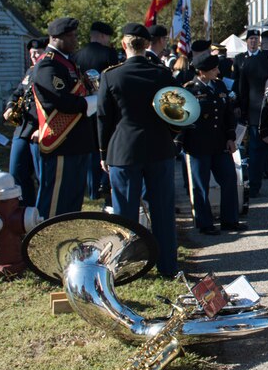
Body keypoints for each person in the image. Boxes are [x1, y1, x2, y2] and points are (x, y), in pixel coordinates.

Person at [97, 22, 179, 277]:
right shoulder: (162, 74)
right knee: (163, 212)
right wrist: (170, 136)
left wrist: (103, 152)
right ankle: (168, 267)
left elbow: (103, 117)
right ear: (147, 45)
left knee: (125, 215)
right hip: (159, 149)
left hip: (124, 150)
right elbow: (176, 113)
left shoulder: (111, 75)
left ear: (124, 45)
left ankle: (123, 269)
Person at [32, 17, 97, 218]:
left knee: (72, 202)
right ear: (55, 38)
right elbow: (61, 101)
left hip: (77, 141)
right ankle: (46, 242)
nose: (75, 40)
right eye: (70, 36)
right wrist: (96, 100)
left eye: (75, 35)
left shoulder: (67, 63)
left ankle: (66, 240)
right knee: (54, 204)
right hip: (60, 141)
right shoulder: (48, 65)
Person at [182, 53, 243, 234]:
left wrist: (231, 137)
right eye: (214, 69)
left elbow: (227, 114)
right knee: (201, 185)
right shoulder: (190, 90)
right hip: (199, 145)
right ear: (202, 72)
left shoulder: (219, 85)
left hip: (220, 143)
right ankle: (205, 223)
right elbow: (184, 119)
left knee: (230, 179)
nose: (218, 71)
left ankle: (230, 220)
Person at [74, 21, 116, 201]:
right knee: (104, 142)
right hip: (103, 104)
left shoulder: (76, 55)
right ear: (102, 36)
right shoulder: (109, 53)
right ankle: (104, 183)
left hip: (84, 104)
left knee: (90, 145)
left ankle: (92, 189)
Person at [4, 38, 46, 204]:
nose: (34, 56)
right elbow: (17, 93)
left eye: (38, 52)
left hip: (40, 128)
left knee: (40, 174)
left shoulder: (48, 71)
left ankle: (41, 210)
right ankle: (25, 206)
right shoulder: (30, 72)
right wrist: (9, 107)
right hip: (23, 127)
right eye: (31, 53)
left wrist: (43, 127)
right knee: (17, 170)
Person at [236, 28, 268, 196]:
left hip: (266, 111)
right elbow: (242, 90)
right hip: (256, 112)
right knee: (257, 152)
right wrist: (243, 113)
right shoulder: (244, 61)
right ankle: (256, 185)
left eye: (255, 38)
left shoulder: (265, 59)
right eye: (250, 38)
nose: (253, 41)